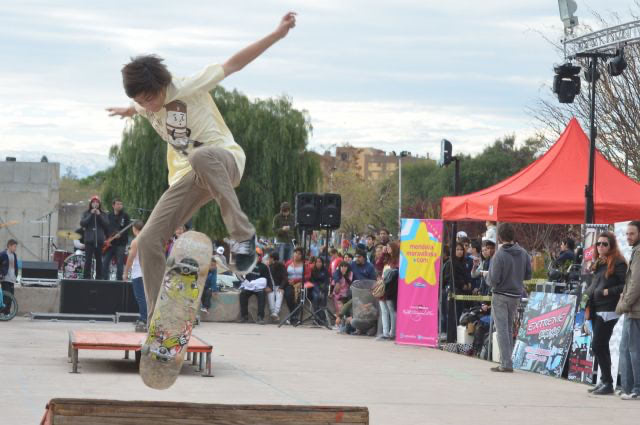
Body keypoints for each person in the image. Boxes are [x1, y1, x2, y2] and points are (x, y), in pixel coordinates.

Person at [107, 12, 298, 322]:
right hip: (192, 179)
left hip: (226, 161)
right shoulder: (145, 105)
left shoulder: (187, 86)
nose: (149, 105)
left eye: (151, 98)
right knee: (148, 239)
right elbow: (139, 107)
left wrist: (277, 34)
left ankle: (242, 234)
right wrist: (129, 110)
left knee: (199, 156)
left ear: (162, 85)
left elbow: (234, 64)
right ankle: (159, 321)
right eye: (142, 101)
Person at [585, 231, 627, 395]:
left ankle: (608, 382)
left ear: (611, 246)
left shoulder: (618, 262)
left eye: (605, 244)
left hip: (608, 308)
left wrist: (608, 291)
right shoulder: (599, 262)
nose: (601, 246)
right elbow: (595, 284)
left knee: (598, 345)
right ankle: (605, 380)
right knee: (601, 345)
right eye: (598, 243)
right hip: (596, 307)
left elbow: (625, 285)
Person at [487, 223, 531, 373]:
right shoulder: (523, 253)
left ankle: (506, 363)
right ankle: (508, 360)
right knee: (509, 328)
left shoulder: (499, 255)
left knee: (502, 330)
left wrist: (486, 278)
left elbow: (493, 280)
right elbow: (528, 275)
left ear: (499, 237)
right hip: (515, 295)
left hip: (500, 294)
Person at [616, 221, 640, 400]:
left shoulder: (639, 253)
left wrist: (624, 304)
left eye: (632, 233)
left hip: (634, 310)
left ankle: (636, 389)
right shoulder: (636, 251)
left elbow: (635, 284)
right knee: (626, 349)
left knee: (633, 350)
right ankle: (627, 387)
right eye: (627, 234)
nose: (628, 237)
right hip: (632, 309)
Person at [123, 220, 147, 331]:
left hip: (138, 272)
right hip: (147, 272)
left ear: (134, 229)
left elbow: (130, 258)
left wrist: (125, 272)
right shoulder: (148, 239)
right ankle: (144, 317)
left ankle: (144, 318)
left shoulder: (135, 241)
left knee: (140, 297)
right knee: (146, 297)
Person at [237, 248, 272, 324]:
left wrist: (270, 287)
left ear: (261, 256)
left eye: (258, 255)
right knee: (242, 294)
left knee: (262, 295)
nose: (257, 257)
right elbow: (241, 274)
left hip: (258, 288)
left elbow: (268, 278)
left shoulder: (264, 267)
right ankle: (244, 316)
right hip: (249, 287)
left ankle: (260, 317)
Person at [80, 195, 109, 279]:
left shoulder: (103, 214)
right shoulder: (86, 213)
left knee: (99, 260)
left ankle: (99, 277)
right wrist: (91, 214)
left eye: (97, 202)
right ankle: (86, 277)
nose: (95, 204)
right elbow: (83, 223)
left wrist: (99, 215)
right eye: (93, 202)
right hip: (89, 240)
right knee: (88, 260)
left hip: (99, 240)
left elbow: (106, 225)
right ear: (91, 204)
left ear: (99, 204)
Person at [102, 198, 131, 280]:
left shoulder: (125, 216)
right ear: (113, 205)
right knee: (105, 262)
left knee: (120, 263)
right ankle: (105, 280)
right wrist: (106, 239)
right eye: (118, 204)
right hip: (109, 244)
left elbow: (127, 230)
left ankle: (119, 282)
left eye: (121, 204)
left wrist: (120, 234)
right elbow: (105, 228)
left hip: (120, 244)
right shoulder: (108, 216)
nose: (120, 206)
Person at [377, 241, 399, 340]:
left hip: (391, 287)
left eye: (389, 247)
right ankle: (385, 332)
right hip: (383, 286)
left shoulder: (397, 259)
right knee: (384, 310)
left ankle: (392, 332)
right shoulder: (387, 258)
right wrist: (383, 253)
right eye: (387, 247)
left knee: (391, 310)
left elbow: (396, 272)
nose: (388, 249)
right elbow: (378, 265)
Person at [283, 247, 310, 324]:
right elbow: (284, 273)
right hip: (289, 284)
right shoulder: (288, 263)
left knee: (298, 296)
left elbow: (308, 276)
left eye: (299, 254)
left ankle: (294, 317)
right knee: (288, 295)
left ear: (302, 255)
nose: (296, 255)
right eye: (295, 253)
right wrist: (288, 280)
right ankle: (293, 316)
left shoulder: (305, 264)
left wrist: (296, 280)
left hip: (301, 284)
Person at [267, 252, 287, 322]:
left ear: (272, 259)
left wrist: (281, 287)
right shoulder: (269, 266)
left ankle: (275, 312)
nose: (268, 259)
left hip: (279, 286)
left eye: (269, 258)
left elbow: (285, 278)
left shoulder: (281, 266)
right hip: (271, 286)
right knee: (271, 295)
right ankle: (274, 313)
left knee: (279, 295)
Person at [309, 257, 330, 324]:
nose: (318, 263)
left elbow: (327, 281)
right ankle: (316, 318)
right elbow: (313, 282)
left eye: (320, 262)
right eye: (317, 262)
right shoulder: (313, 270)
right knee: (316, 297)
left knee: (323, 298)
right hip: (315, 288)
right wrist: (318, 291)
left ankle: (322, 318)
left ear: (322, 263)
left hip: (323, 289)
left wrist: (322, 290)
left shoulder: (325, 270)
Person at [0, 239, 19, 315]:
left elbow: (15, 267)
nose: (15, 248)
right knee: (6, 297)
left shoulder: (14, 255)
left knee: (11, 297)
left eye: (16, 247)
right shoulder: (3, 254)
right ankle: (2, 312)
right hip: (5, 279)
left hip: (12, 279)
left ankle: (7, 313)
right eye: (14, 246)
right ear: (9, 246)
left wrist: (15, 275)